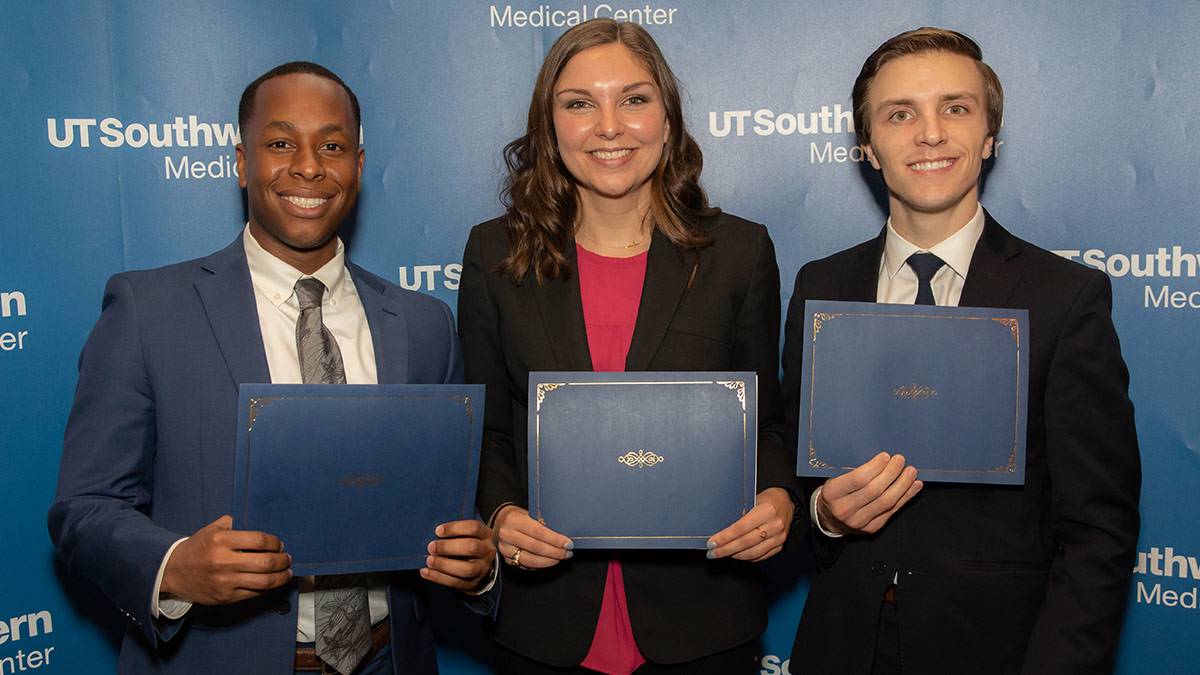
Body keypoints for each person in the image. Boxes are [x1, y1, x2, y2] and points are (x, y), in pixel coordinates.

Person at [48, 62, 497, 675]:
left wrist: (476, 564)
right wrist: (173, 566)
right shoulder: (148, 311)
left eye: (332, 146)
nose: (308, 166)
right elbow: (86, 506)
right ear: (241, 161)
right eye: (281, 142)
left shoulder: (423, 324)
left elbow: (452, 511)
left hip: (391, 660)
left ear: (358, 167)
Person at [782, 28, 1141, 674]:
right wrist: (825, 515)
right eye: (900, 114)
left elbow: (1098, 534)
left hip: (997, 653)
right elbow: (797, 473)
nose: (930, 134)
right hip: (839, 648)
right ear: (867, 146)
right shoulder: (820, 286)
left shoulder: (1065, 298)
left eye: (956, 108)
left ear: (988, 137)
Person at [457, 18, 803, 675]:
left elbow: (769, 427)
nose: (609, 126)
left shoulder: (739, 253)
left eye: (635, 99)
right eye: (580, 103)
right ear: (549, 127)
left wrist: (779, 496)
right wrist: (501, 512)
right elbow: (488, 430)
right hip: (546, 627)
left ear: (667, 120)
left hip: (703, 624)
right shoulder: (494, 255)